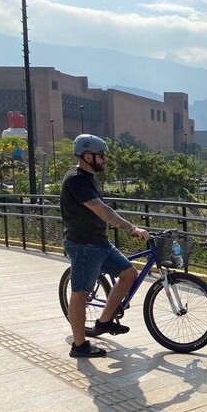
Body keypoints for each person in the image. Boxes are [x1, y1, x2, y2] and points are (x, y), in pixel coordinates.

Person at [60, 134, 150, 359]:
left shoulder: (89, 178)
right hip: (83, 244)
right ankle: (79, 346)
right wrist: (132, 228)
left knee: (129, 274)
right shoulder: (76, 179)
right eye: (101, 156)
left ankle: (104, 321)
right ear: (87, 156)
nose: (105, 160)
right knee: (81, 293)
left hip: (100, 241)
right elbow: (100, 209)